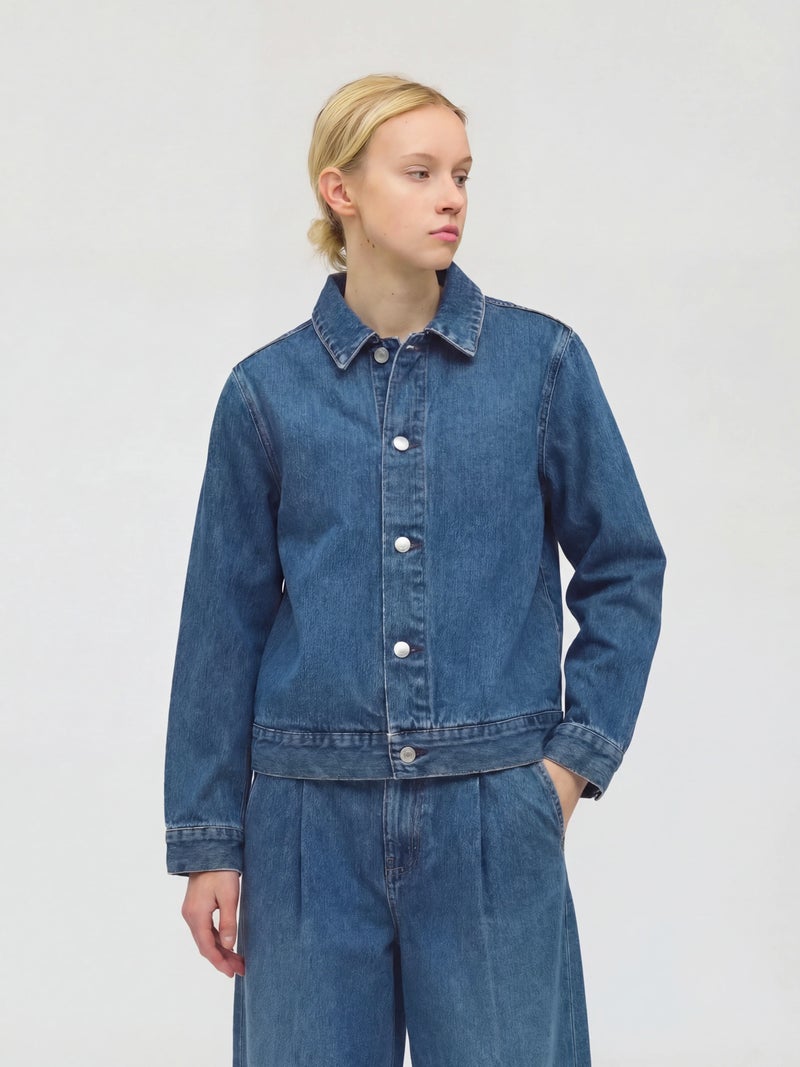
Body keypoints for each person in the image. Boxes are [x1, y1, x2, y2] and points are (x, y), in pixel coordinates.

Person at [164, 74, 666, 1067]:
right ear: (340, 190)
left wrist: (567, 766)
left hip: (491, 813)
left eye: (462, 175)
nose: (452, 199)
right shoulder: (266, 393)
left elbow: (624, 564)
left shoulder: (539, 365)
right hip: (306, 825)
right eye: (420, 173)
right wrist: (209, 839)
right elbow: (222, 621)